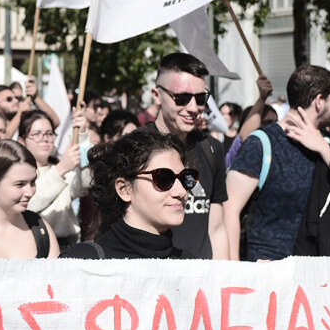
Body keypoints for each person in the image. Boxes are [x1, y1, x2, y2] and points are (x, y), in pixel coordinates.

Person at [224, 64, 330, 261]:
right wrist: (236, 271)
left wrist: (324, 150)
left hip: (316, 271)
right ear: (319, 101)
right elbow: (229, 208)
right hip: (268, 268)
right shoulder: (262, 143)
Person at [61, 129, 196, 259]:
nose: (181, 191)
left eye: (185, 178)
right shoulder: (82, 262)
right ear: (124, 189)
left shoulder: (191, 268)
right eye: (164, 179)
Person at [143, 52, 228, 259]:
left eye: (200, 98)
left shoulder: (212, 149)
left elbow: (217, 229)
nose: (193, 108)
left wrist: (223, 280)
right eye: (181, 98)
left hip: (202, 282)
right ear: (157, 95)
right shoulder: (137, 147)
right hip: (153, 281)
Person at [20, 110, 82, 246]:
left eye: (49, 133)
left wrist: (82, 135)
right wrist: (61, 168)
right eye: (36, 134)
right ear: (21, 140)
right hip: (34, 247)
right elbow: (29, 205)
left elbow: (85, 186)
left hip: (68, 246)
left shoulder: (63, 168)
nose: (45, 138)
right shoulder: (17, 174)